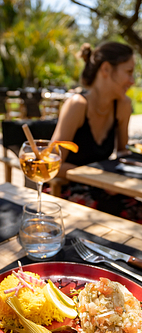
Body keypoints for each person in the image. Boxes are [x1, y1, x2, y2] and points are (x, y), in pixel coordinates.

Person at [50, 41, 141, 220]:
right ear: (106, 69)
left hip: (108, 188)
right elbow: (52, 165)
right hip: (68, 189)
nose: (132, 81)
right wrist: (99, 176)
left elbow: (122, 152)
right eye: (128, 72)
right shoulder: (77, 105)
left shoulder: (122, 105)